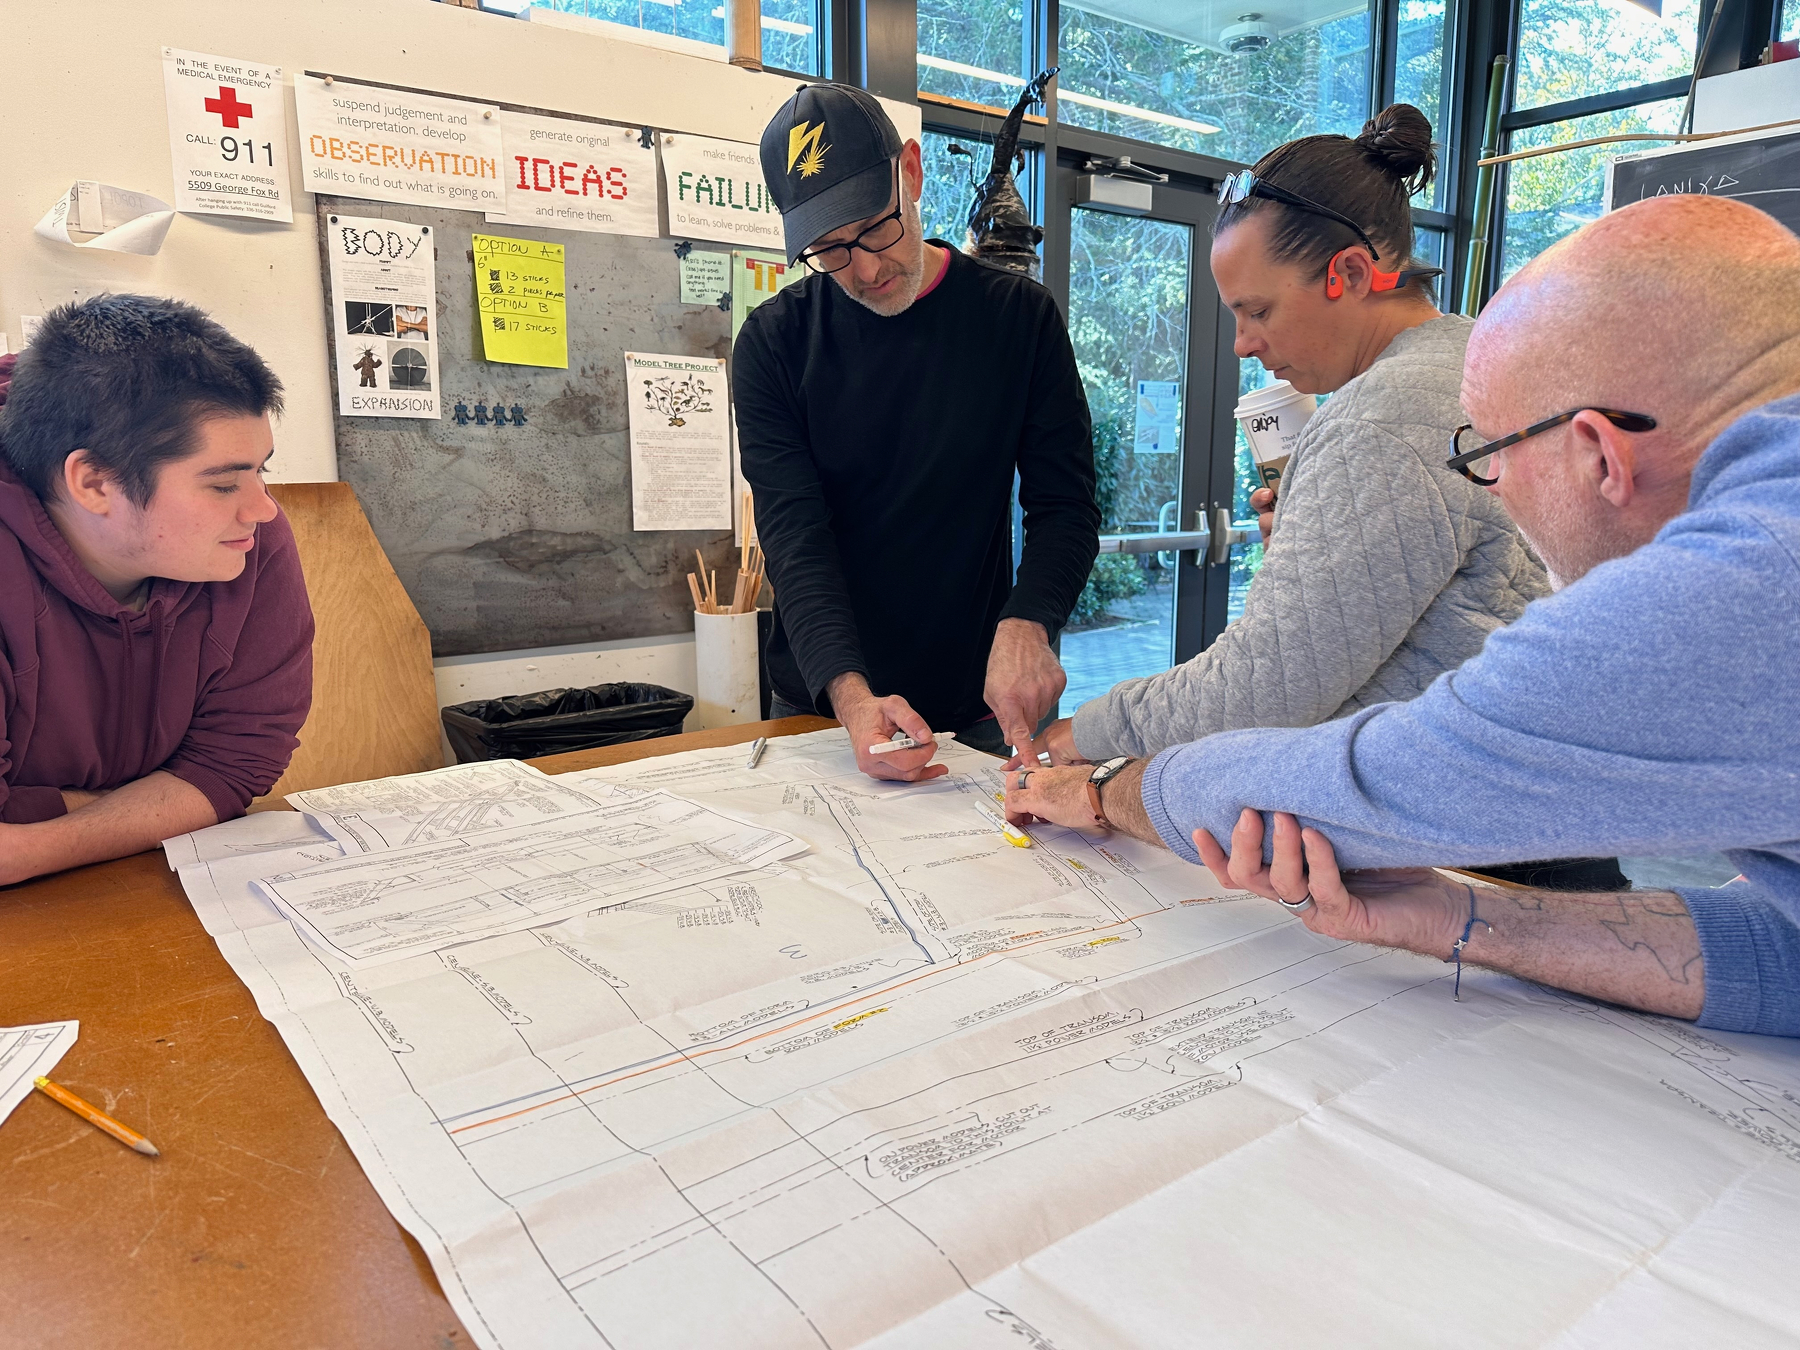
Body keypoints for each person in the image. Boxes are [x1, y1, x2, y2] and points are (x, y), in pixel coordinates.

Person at [1003, 194, 1800, 1036]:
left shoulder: (1727, 596)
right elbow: (1782, 953)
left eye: (1486, 458)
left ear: (1601, 452)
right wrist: (1456, 916)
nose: (1493, 496)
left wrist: (1104, 785)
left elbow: (1352, 776)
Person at [1018, 105, 1548, 780]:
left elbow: (1265, 686)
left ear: (1349, 274)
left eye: (1258, 311)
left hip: (1449, 807)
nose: (1243, 344)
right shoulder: (1479, 361)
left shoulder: (1379, 419)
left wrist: (1093, 731)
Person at [733, 82, 1099, 782]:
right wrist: (851, 698)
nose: (866, 268)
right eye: (830, 250)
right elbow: (794, 536)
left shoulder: (1019, 321)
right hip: (825, 705)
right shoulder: (774, 344)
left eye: (877, 228)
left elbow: (1065, 507)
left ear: (912, 172)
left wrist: (1029, 621)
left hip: (978, 703)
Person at [0, 294, 313, 885]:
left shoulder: (248, 545)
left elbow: (237, 761)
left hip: (144, 886)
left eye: (261, 469)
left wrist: (29, 846)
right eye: (223, 484)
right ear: (95, 482)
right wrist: (159, 804)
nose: (263, 509)